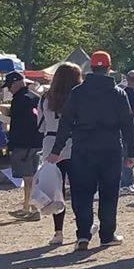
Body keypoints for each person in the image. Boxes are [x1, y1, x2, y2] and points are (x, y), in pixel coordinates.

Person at [48, 51, 134, 251]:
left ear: (91, 68)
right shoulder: (118, 93)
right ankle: (107, 235)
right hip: (110, 149)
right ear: (108, 68)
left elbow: (66, 123)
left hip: (83, 150)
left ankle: (83, 235)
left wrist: (56, 150)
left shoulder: (78, 92)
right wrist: (131, 152)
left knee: (82, 194)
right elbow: (127, 124)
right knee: (108, 194)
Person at [38, 63, 83, 245]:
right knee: (80, 189)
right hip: (74, 144)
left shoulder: (45, 98)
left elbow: (41, 125)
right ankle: (84, 228)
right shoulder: (78, 97)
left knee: (56, 191)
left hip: (51, 144)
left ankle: (58, 232)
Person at [3, 71, 44, 221]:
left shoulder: (19, 100)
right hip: (38, 142)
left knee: (28, 178)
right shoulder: (36, 98)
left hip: (24, 144)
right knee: (31, 177)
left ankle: (33, 209)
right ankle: (27, 206)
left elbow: (17, 125)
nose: (9, 90)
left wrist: (11, 144)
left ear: (16, 83)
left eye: (9, 86)